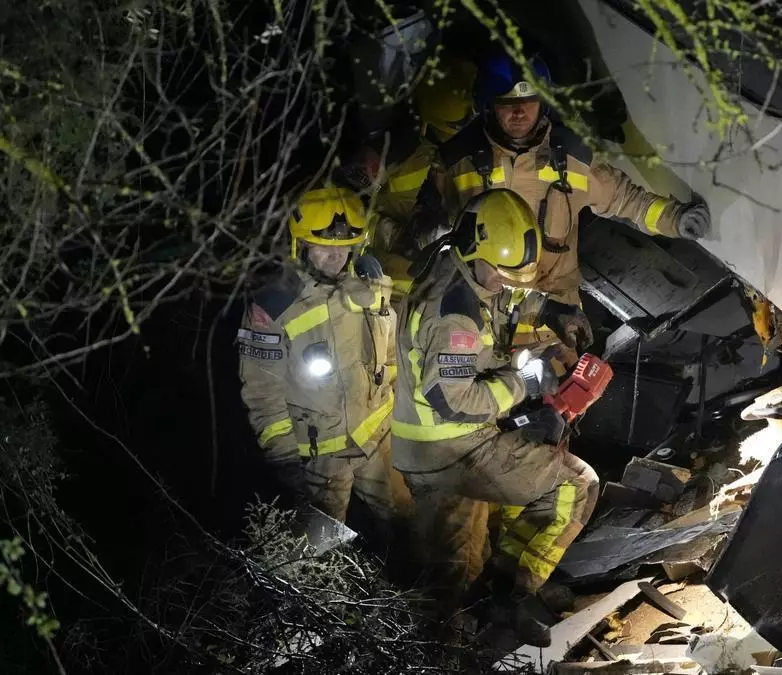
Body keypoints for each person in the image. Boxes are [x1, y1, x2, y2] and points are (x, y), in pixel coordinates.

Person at [392, 188, 599, 646]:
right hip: (446, 449)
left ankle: (489, 607)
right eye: (501, 275)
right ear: (474, 248)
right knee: (576, 485)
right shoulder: (452, 317)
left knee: (461, 561)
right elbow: (455, 401)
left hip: (440, 441)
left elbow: (505, 297)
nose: (505, 284)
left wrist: (550, 309)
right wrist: (525, 383)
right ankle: (488, 612)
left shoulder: (459, 262)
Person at [412, 52, 712, 351]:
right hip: (478, 322)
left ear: (543, 103)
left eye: (529, 102)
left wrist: (675, 219)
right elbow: (421, 231)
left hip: (557, 326)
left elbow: (627, 199)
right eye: (507, 104)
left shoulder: (572, 157)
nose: (519, 113)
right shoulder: (455, 162)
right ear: (488, 106)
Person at [237, 187, 401, 543]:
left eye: (345, 247)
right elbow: (263, 393)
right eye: (324, 247)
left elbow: (389, 354)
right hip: (319, 456)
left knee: (409, 529)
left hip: (378, 439)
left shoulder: (369, 284)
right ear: (301, 245)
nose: (336, 256)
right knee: (315, 552)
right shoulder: (274, 303)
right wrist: (284, 460)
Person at [371, 56, 477, 283]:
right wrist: (395, 236)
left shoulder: (468, 156)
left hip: (445, 259)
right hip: (392, 261)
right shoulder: (396, 151)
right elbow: (355, 211)